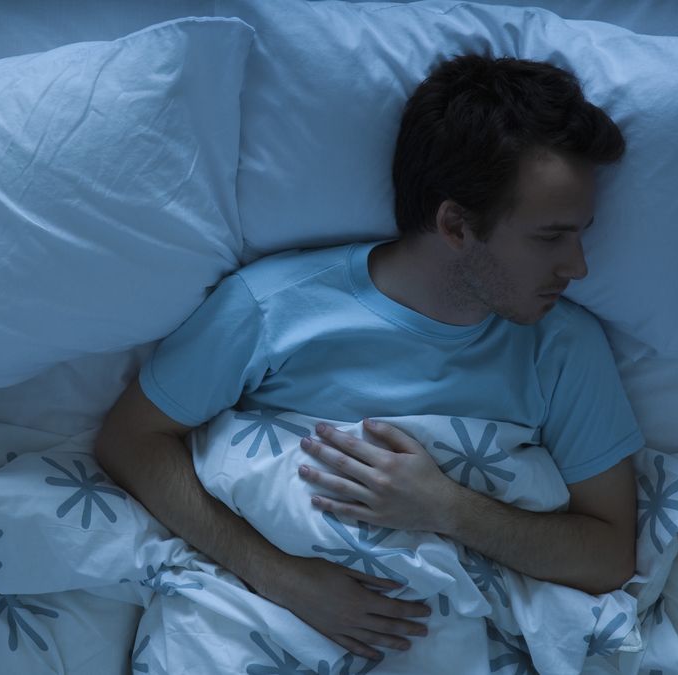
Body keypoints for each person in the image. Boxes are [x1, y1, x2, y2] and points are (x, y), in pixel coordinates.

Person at [95, 51, 643, 663]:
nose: (578, 266)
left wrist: (448, 509)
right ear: (457, 225)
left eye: (581, 232)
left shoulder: (563, 346)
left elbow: (610, 555)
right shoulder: (274, 307)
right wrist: (282, 579)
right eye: (550, 237)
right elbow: (129, 439)